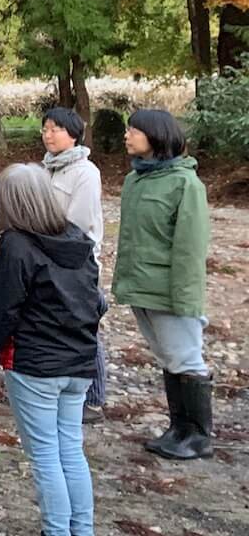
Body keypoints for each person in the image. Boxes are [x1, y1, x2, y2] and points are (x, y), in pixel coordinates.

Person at [0, 164, 102, 536]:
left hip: (36, 365)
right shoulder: (78, 238)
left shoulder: (16, 244)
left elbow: (1, 310)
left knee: (44, 455)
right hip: (79, 362)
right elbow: (96, 301)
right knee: (70, 448)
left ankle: (57, 530)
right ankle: (81, 529)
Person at [115, 108, 213, 460]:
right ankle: (178, 428)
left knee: (186, 358)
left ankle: (199, 436)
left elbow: (189, 249)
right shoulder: (134, 180)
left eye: (134, 130)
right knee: (168, 358)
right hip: (141, 288)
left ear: (156, 136)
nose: (127, 136)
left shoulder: (185, 184)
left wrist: (186, 301)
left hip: (170, 292)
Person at [41, 107, 107, 421]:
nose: (48, 134)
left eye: (56, 129)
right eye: (45, 128)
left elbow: (78, 224)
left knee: (84, 327)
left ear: (74, 134)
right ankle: (65, 392)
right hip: (49, 259)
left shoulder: (85, 172)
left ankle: (94, 399)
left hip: (78, 262)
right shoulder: (47, 169)